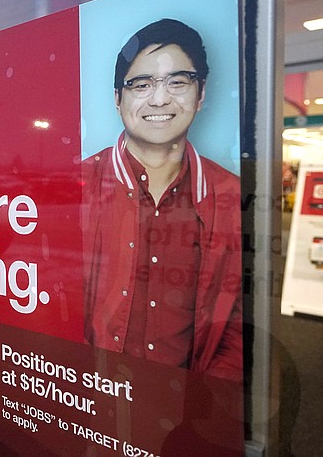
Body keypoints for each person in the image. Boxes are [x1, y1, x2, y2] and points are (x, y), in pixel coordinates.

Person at [82, 19, 242, 381]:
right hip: (88, 402)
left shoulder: (229, 194)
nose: (159, 98)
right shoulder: (74, 185)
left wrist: (205, 408)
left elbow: (235, 322)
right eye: (141, 84)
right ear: (117, 98)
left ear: (201, 94)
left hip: (183, 408)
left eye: (177, 82)